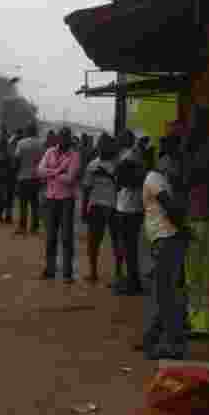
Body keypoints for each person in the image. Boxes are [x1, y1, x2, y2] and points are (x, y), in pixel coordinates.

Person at [138, 150, 191, 360]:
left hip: (167, 240)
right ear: (161, 160)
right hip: (166, 239)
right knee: (165, 294)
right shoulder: (155, 179)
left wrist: (182, 230)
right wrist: (184, 229)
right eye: (170, 159)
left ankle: (172, 345)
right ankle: (153, 339)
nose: (173, 163)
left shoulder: (162, 179)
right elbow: (169, 206)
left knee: (165, 295)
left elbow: (171, 207)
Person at [182, 106, 209, 337]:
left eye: (193, 121)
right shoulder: (206, 146)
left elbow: (189, 176)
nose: (190, 126)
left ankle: (203, 324)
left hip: (205, 216)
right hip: (198, 215)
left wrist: (188, 147)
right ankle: (196, 319)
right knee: (194, 272)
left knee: (203, 272)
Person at [39, 127, 82, 282]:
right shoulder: (49, 152)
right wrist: (58, 171)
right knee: (50, 236)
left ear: (69, 139)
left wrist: (51, 172)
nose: (63, 140)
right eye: (61, 137)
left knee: (66, 237)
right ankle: (50, 270)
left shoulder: (75, 155)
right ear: (58, 138)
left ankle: (67, 273)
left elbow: (71, 178)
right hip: (50, 198)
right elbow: (39, 170)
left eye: (66, 137)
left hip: (66, 200)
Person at [80, 134, 119, 284]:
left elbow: (121, 186)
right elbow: (86, 189)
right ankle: (93, 272)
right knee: (93, 241)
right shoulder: (92, 165)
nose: (102, 148)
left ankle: (118, 273)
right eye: (100, 145)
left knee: (117, 241)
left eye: (105, 145)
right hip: (96, 206)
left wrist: (108, 175)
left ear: (111, 147)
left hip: (114, 207)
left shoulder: (118, 165)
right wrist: (84, 208)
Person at [113, 130, 146, 296]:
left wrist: (119, 174)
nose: (118, 140)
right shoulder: (132, 155)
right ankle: (132, 281)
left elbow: (128, 180)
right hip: (127, 206)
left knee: (129, 247)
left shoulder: (131, 155)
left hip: (130, 207)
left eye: (121, 138)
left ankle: (133, 283)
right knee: (128, 246)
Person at [13, 123, 45, 236]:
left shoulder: (21, 143)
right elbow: (44, 162)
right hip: (36, 177)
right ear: (35, 131)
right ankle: (35, 227)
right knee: (34, 203)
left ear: (27, 131)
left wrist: (16, 174)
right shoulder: (41, 144)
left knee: (23, 203)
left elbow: (17, 159)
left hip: (23, 177)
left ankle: (22, 226)